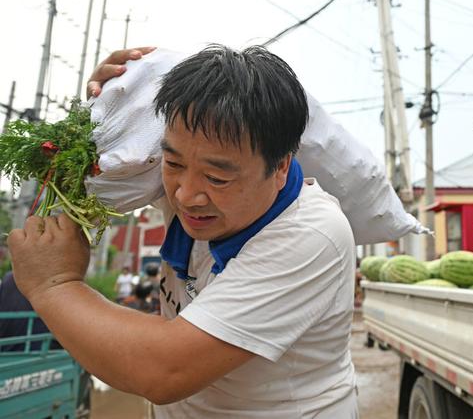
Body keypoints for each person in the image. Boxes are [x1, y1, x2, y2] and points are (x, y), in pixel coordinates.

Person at [8, 45, 358, 417]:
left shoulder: (311, 234)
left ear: (281, 167)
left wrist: (55, 285)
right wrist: (108, 110)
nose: (186, 196)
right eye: (173, 163)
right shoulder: (190, 191)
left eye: (217, 177)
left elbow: (163, 370)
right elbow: (121, 156)